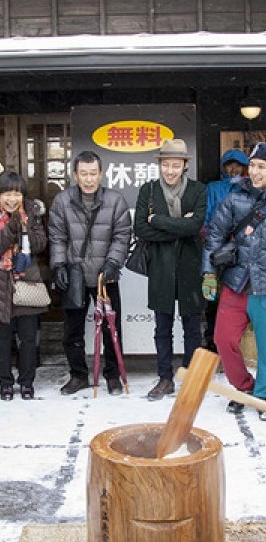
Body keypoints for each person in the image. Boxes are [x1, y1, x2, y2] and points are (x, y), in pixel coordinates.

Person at [202, 142, 266, 418]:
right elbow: (215, 235)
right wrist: (209, 273)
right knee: (223, 339)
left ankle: (262, 397)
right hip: (236, 283)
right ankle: (244, 388)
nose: (255, 172)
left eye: (262, 166)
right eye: (253, 165)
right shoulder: (235, 198)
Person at [48, 150, 131, 396]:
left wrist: (112, 264)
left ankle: (112, 375)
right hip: (75, 275)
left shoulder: (115, 200)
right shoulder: (62, 201)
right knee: (72, 330)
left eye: (93, 173)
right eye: (83, 174)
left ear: (101, 174)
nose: (88, 179)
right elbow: (57, 236)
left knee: (111, 330)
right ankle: (78, 375)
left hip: (106, 276)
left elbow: (122, 235)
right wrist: (59, 266)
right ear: (75, 175)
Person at [134, 138, 206, 401]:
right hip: (160, 268)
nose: (170, 171)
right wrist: (178, 227)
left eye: (176, 165)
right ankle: (165, 377)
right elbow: (140, 229)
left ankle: (190, 377)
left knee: (192, 327)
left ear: (184, 165)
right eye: (166, 165)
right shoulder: (148, 191)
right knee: (162, 327)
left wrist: (159, 222)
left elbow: (195, 227)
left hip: (189, 267)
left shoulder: (198, 190)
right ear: (160, 165)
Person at [0, 172, 48, 401]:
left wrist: (25, 228)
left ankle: (27, 382)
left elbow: (40, 244)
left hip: (27, 282)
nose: (12, 198)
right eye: (7, 194)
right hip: (2, 285)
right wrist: (11, 227)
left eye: (16, 193)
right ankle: (5, 383)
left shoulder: (32, 213)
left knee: (29, 338)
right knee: (3, 338)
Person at [203, 149, 249, 351]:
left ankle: (237, 342)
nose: (234, 169)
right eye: (230, 165)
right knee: (213, 294)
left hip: (242, 250)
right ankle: (212, 339)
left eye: (238, 165)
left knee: (237, 293)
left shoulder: (249, 188)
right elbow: (206, 217)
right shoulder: (213, 188)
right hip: (217, 248)